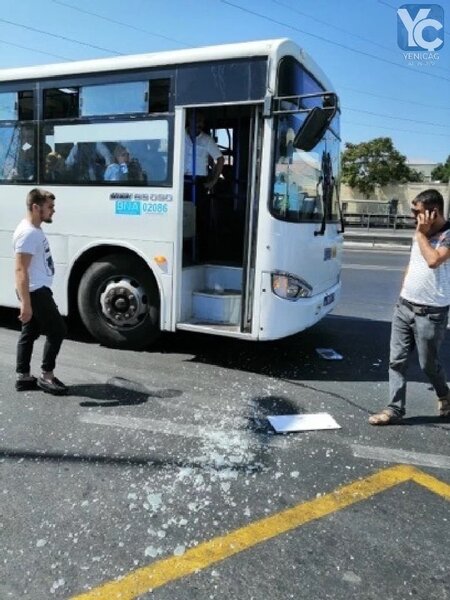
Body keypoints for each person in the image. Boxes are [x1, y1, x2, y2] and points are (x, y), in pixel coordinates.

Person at [369, 189, 450, 425]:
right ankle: (394, 409)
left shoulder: (445, 234)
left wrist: (422, 235)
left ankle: (444, 395)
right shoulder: (420, 232)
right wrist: (403, 293)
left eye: (417, 211)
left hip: (431, 312)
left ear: (433, 212)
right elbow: (414, 263)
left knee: (428, 364)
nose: (413, 216)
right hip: (404, 306)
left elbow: (433, 260)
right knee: (397, 360)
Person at [13, 188, 68, 395]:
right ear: (36, 207)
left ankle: (23, 377)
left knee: (31, 331)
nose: (53, 211)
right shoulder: (28, 233)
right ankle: (47, 376)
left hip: (36, 289)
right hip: (35, 291)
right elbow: (20, 269)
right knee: (58, 330)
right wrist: (26, 303)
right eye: (50, 207)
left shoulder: (32, 229)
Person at [184, 111, 224, 260]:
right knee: (183, 218)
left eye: (202, 122)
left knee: (200, 218)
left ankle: (201, 254)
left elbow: (220, 160)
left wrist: (213, 181)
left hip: (199, 182)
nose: (199, 124)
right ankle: (185, 252)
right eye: (197, 120)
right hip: (181, 181)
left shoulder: (207, 140)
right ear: (189, 120)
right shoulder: (179, 134)